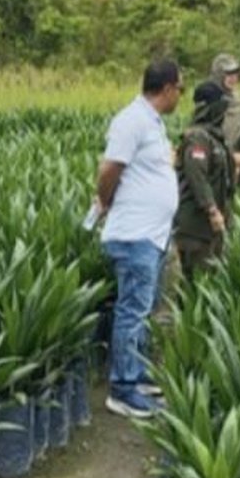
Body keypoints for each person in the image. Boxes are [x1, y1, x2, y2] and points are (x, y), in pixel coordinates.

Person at [93, 59, 183, 418]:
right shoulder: (131, 120)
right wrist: (105, 198)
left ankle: (137, 374)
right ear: (167, 89)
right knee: (131, 311)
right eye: (181, 88)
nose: (181, 96)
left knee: (141, 309)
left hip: (152, 236)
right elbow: (109, 169)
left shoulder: (152, 123)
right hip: (134, 236)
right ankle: (123, 389)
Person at [174, 81, 234, 285]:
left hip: (210, 230)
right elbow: (196, 175)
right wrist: (211, 209)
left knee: (211, 279)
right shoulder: (197, 138)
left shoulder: (214, 137)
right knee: (194, 283)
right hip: (195, 229)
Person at [210, 53, 240, 189]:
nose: (233, 78)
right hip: (211, 163)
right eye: (228, 74)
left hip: (236, 162)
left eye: (235, 74)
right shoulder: (207, 102)